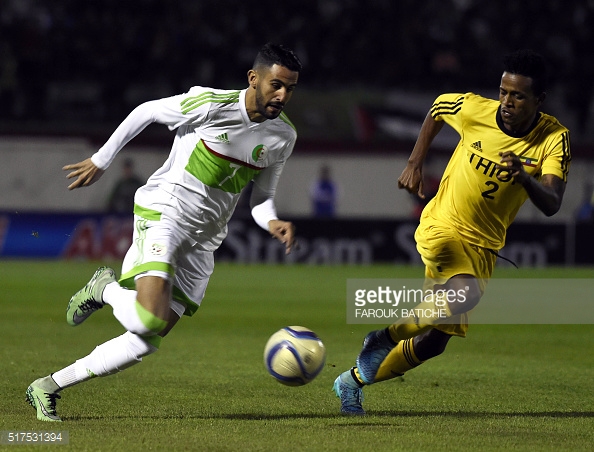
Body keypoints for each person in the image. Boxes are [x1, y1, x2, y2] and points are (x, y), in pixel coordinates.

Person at [26, 43, 302, 422]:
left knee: (145, 343)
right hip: (165, 214)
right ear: (254, 79)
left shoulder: (283, 136)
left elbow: (262, 198)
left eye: (290, 88)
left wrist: (273, 221)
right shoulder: (210, 104)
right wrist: (102, 160)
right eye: (276, 85)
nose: (282, 95)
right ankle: (104, 288)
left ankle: (47, 386)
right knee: (150, 318)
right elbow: (147, 111)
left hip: (204, 241)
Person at [333, 49, 570, 415]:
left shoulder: (554, 138)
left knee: (434, 341)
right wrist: (414, 162)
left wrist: (524, 177)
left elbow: (552, 201)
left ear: (539, 100)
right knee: (465, 293)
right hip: (441, 225)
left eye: (518, 96)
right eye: (504, 92)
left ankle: (351, 381)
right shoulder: (476, 109)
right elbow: (438, 108)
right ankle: (384, 337)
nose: (506, 102)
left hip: (483, 246)